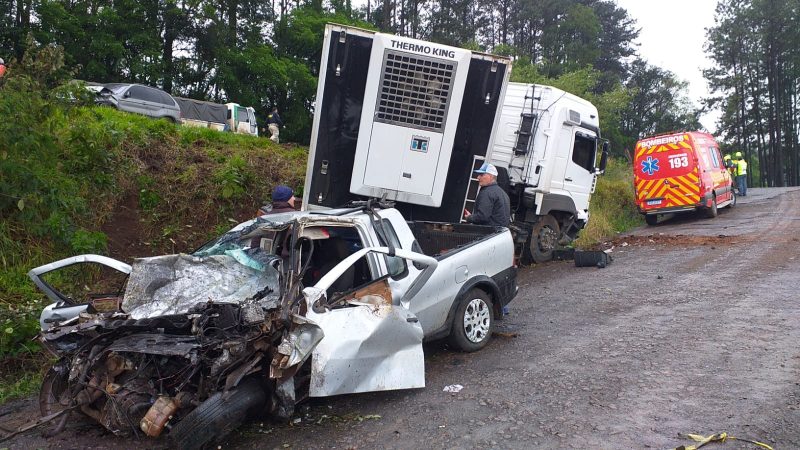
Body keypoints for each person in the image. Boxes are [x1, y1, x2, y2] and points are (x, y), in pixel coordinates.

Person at [463, 163, 511, 227]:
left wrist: (469, 218)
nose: (478, 177)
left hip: (488, 234)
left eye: (481, 175)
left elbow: (482, 217)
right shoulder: (503, 194)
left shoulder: (487, 192)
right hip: (499, 234)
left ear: (491, 176)